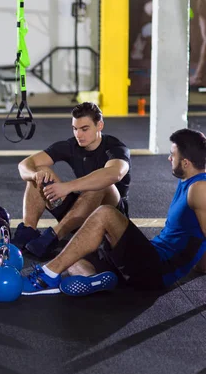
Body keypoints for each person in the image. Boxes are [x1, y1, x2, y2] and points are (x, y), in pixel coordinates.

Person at [21, 128, 206, 296]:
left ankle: (47, 276)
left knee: (106, 214)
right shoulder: (190, 183)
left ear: (186, 163)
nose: (169, 158)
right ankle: (99, 278)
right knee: (74, 258)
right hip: (150, 255)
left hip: (158, 269)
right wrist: (201, 266)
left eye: (172, 155)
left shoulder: (199, 188)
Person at [13, 102, 131, 258]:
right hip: (82, 211)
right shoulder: (71, 145)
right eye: (75, 129)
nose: (79, 135)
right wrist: (34, 175)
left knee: (102, 184)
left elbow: (114, 174)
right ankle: (28, 231)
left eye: (85, 129)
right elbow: (24, 165)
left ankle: (53, 236)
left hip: (112, 218)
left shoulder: (116, 148)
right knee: (41, 171)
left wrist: (67, 187)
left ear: (100, 125)